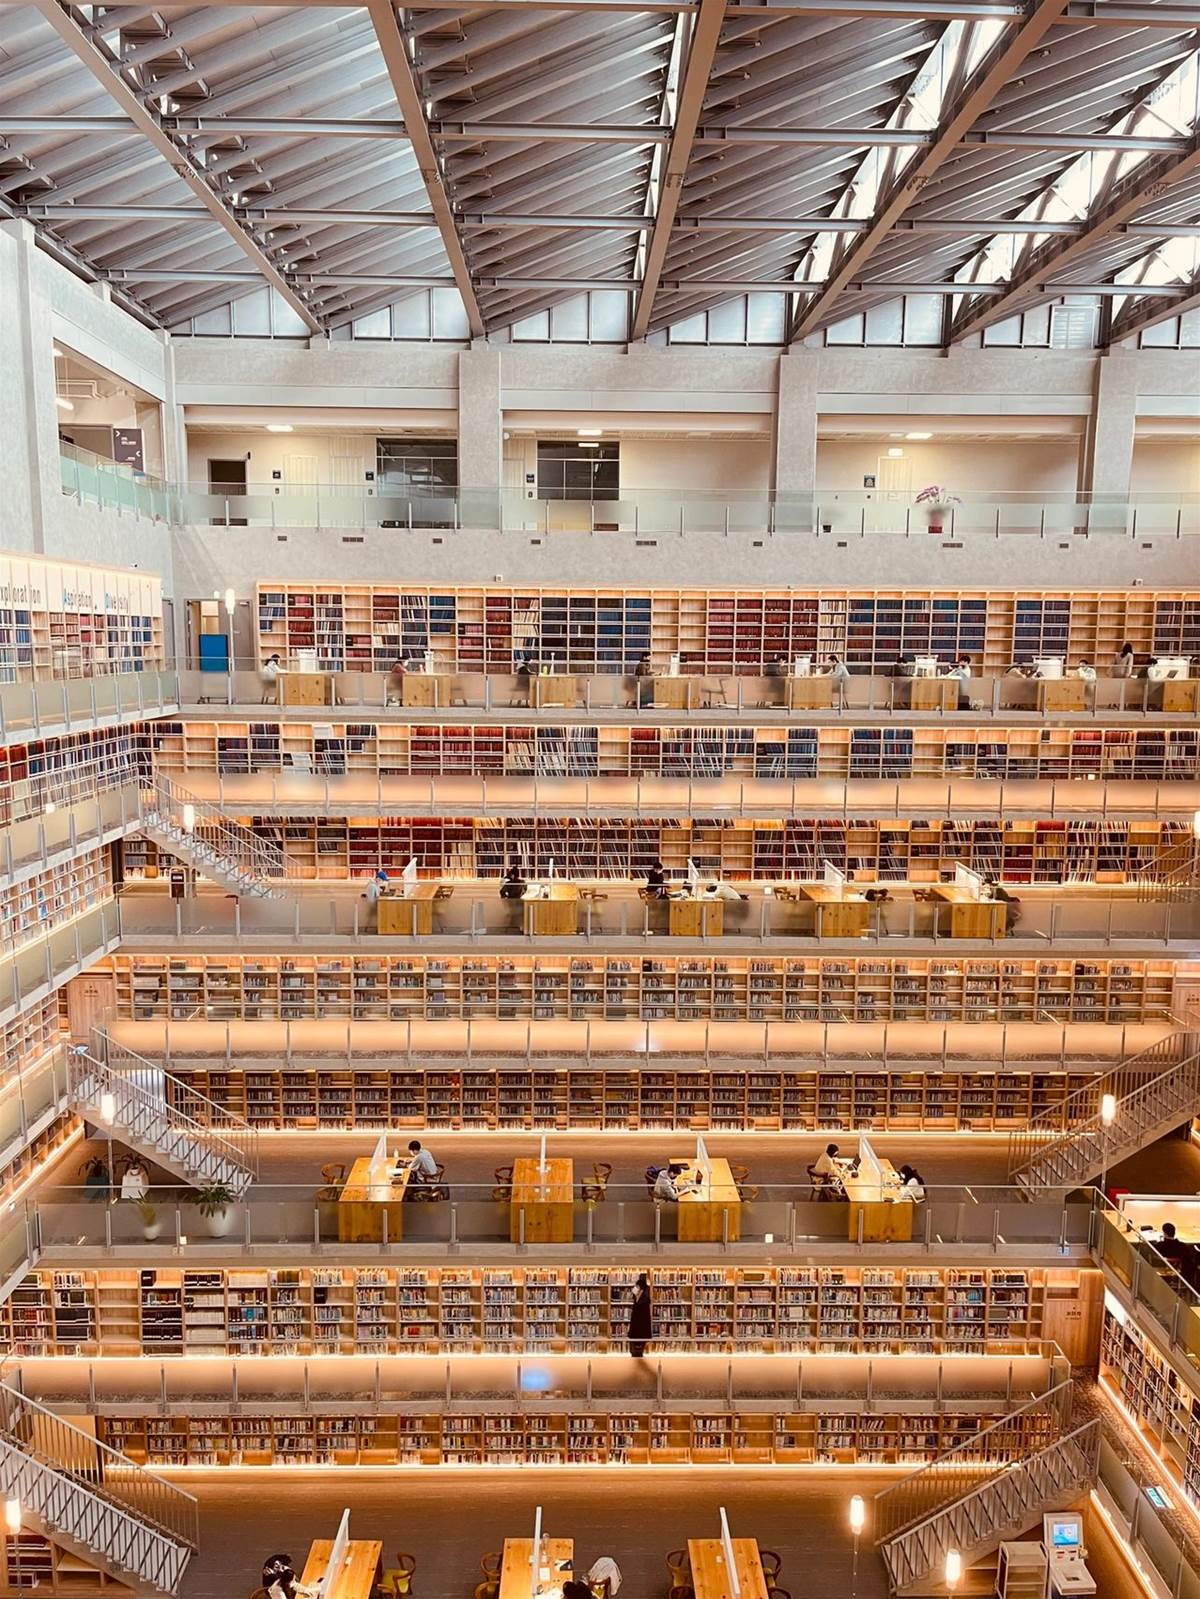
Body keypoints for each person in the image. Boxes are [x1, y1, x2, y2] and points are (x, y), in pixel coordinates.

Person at [627, 1273, 652, 1358]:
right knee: (635, 1345)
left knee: (639, 1345)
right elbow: (633, 1294)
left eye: (637, 1287)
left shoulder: (645, 1297)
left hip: (641, 1324)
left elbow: (645, 1317)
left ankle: (638, 1354)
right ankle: (636, 1354)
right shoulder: (638, 1294)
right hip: (637, 1323)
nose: (635, 1288)